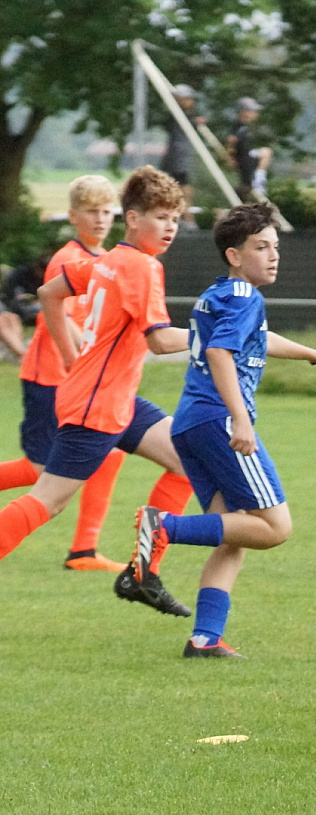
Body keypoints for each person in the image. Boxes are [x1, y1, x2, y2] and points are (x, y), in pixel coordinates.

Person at [135, 202, 316, 658]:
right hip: (218, 419)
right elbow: (219, 354)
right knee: (274, 527)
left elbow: (257, 341)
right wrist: (242, 419)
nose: (274, 255)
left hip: (192, 421)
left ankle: (204, 638)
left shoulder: (220, 294)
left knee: (236, 533)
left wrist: (315, 355)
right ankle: (163, 526)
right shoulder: (246, 297)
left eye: (275, 246)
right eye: (261, 247)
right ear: (234, 255)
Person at [0, 166, 195, 615]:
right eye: (161, 217)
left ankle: (142, 573)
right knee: (47, 499)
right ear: (134, 219)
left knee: (187, 460)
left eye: (174, 218)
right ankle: (118, 562)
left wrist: (73, 360)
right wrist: (220, 334)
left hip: (114, 398)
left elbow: (49, 293)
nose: (170, 227)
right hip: (97, 405)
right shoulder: (141, 266)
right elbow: (160, 341)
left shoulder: (109, 259)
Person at [0, 176, 139, 571]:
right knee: (40, 472)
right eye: (92, 211)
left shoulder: (105, 258)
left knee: (110, 453)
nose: (101, 219)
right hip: (50, 377)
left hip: (81, 382)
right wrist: (87, 361)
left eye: (107, 211)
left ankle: (84, 551)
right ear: (73, 216)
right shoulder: (67, 259)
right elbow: (60, 317)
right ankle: (83, 551)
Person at [158, 84, 205, 223]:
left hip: (181, 157)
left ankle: (184, 218)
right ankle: (186, 219)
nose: (192, 102)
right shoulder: (176, 117)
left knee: (182, 188)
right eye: (188, 99)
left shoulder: (184, 116)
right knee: (182, 189)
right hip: (178, 158)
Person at [0, 252, 48, 360]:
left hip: (13, 310)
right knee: (3, 322)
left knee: (12, 318)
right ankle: (23, 354)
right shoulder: (20, 274)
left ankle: (18, 350)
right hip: (21, 306)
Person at [227, 98, 270, 202]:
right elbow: (231, 141)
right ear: (244, 112)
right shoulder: (240, 128)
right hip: (244, 158)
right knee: (266, 152)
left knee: (245, 186)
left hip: (247, 156)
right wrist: (230, 157)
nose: (256, 114)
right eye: (253, 111)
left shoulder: (244, 126)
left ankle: (256, 182)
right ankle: (259, 182)